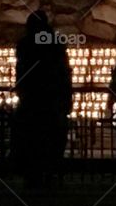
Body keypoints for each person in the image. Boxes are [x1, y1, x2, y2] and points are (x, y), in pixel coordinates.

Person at [14, 10, 72, 187]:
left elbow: (22, 70)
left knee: (32, 137)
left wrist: (22, 88)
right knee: (52, 136)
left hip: (33, 96)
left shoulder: (25, 44)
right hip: (53, 97)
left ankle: (33, 172)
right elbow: (64, 71)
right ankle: (51, 170)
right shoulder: (55, 44)